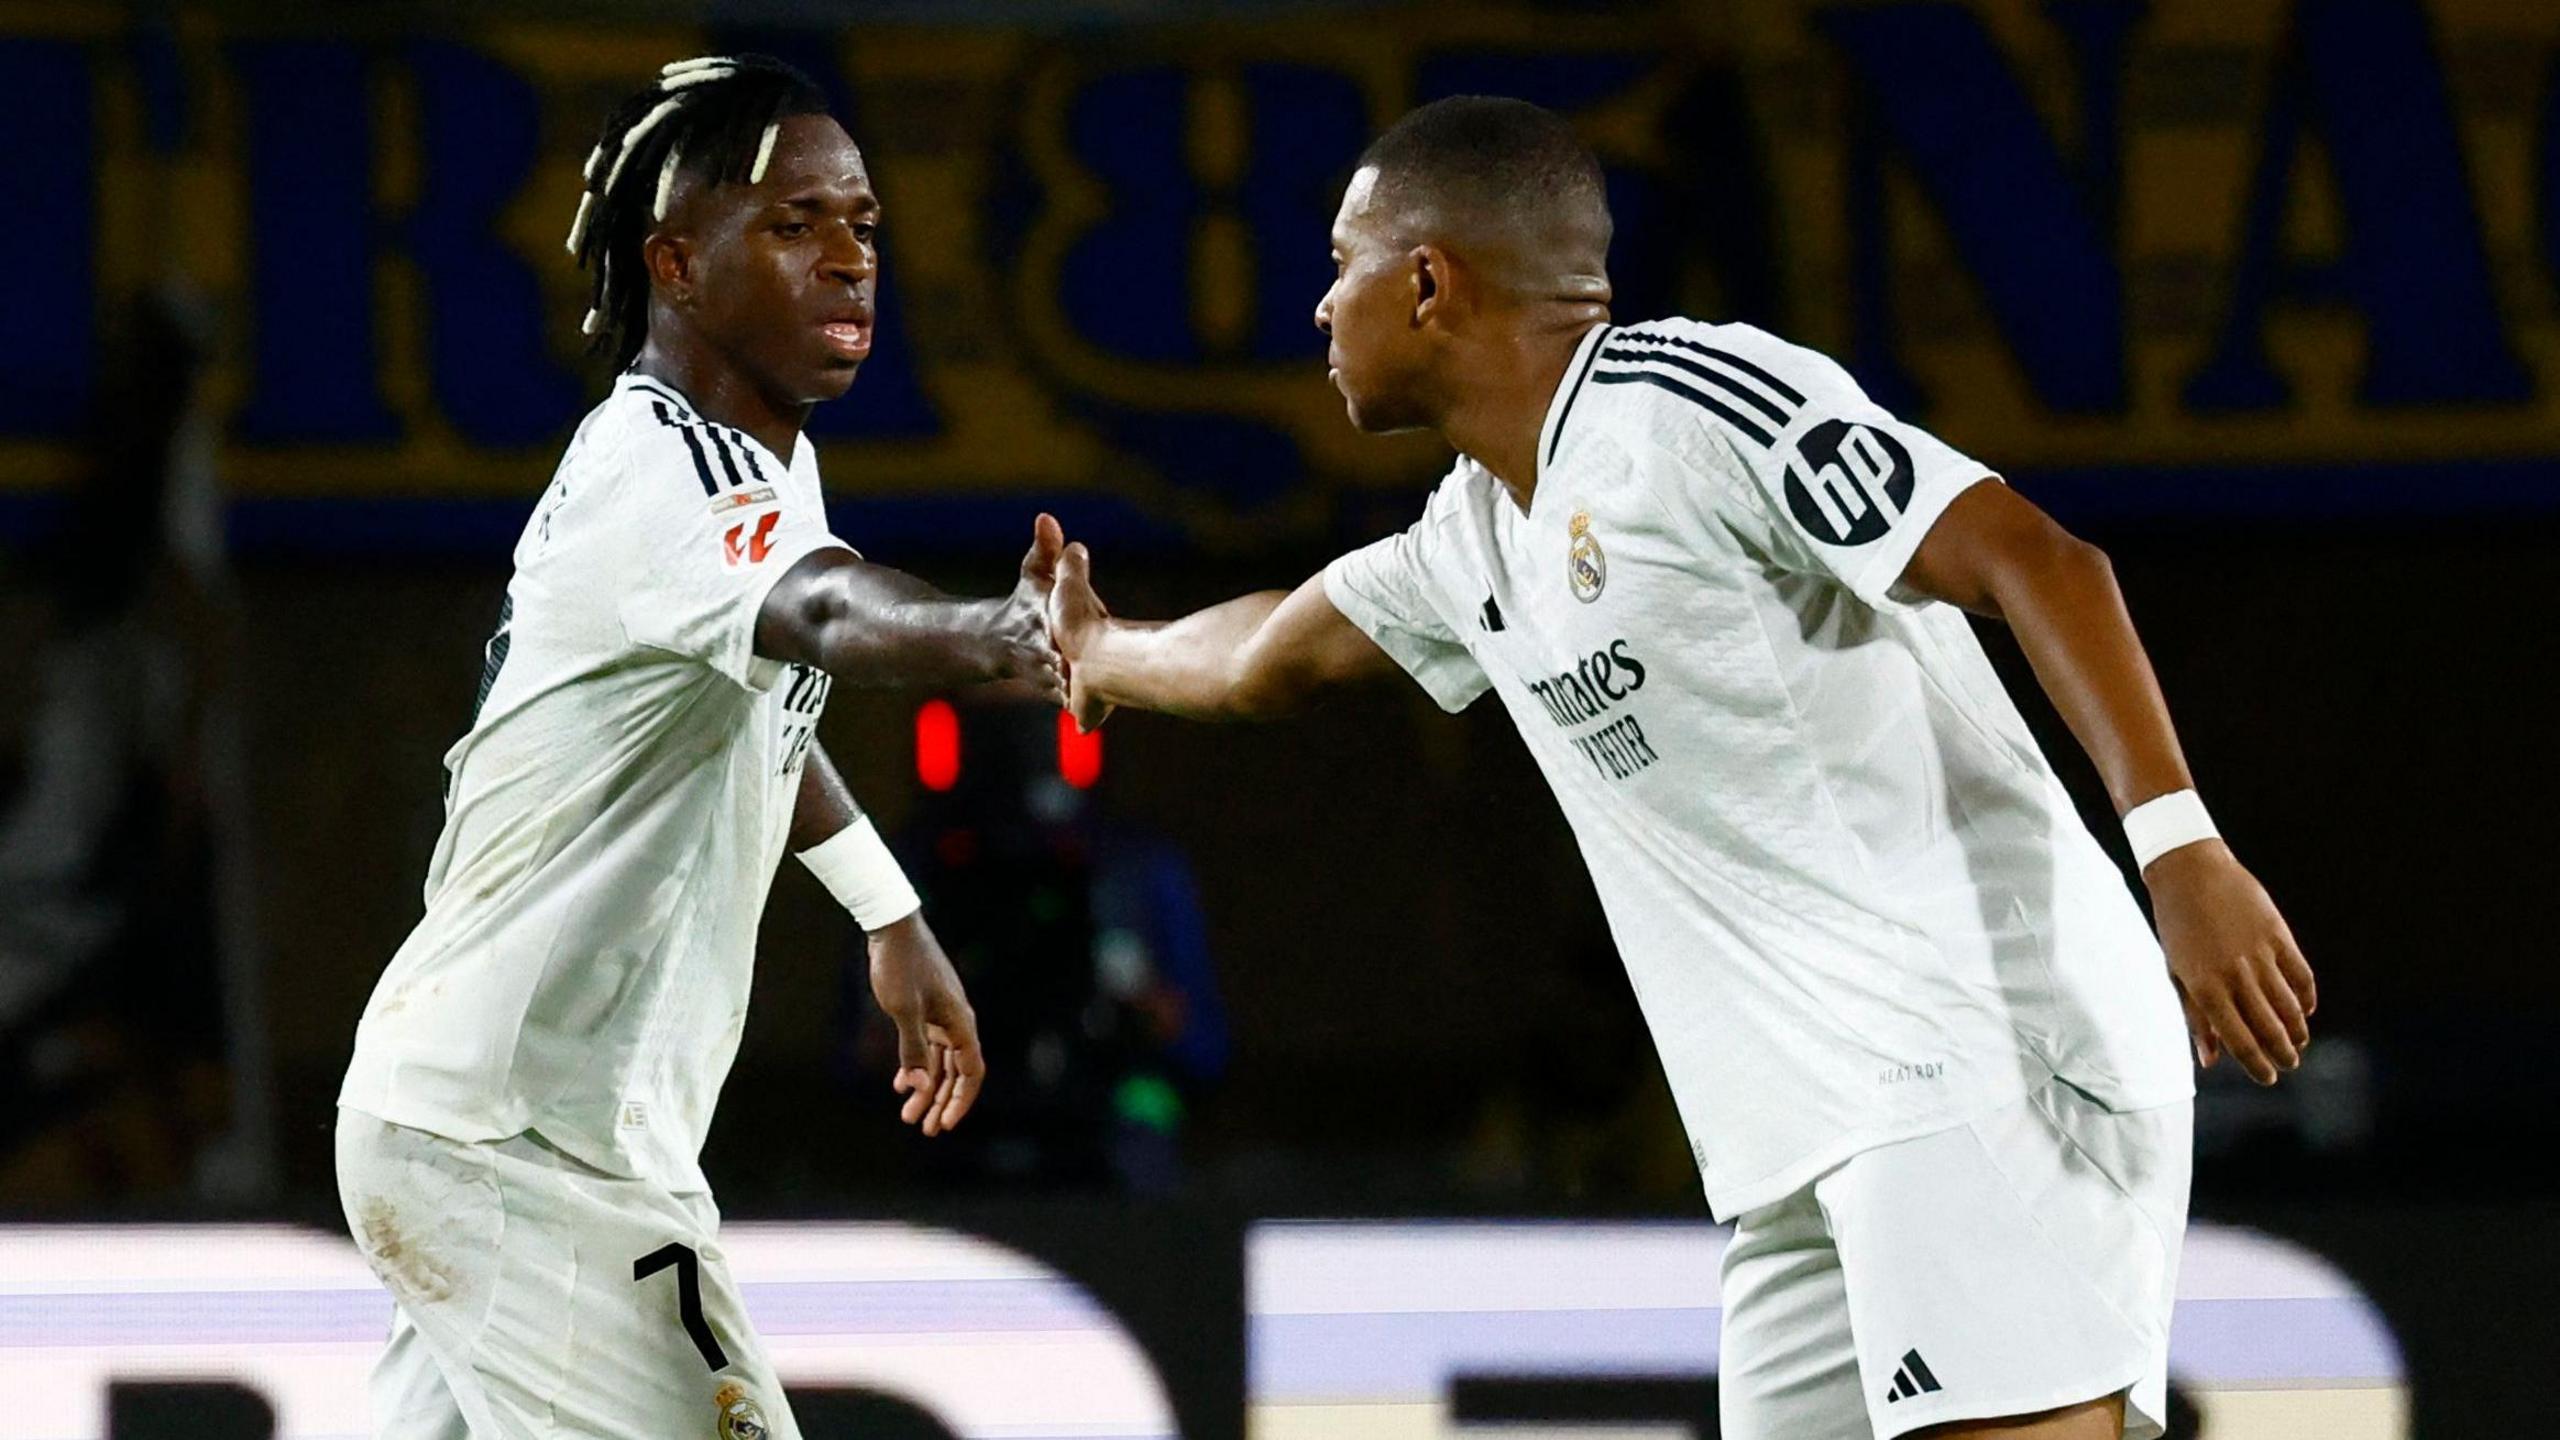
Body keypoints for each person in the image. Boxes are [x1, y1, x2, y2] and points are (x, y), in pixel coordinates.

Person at [1045, 96, 2318, 1440]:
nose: (1318, 308)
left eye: (1341, 265)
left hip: (1979, 1065)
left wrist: (2180, 847)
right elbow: (1265, 658)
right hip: (1798, 1153)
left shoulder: (1691, 410)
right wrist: (1099, 653)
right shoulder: (1473, 535)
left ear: (1427, 282)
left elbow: (2037, 558)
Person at [334, 56, 1063, 1440]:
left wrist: (886, 909)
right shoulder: (666, 474)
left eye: (862, 224)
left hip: (487, 1121)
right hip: (522, 1145)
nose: (848, 259)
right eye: (794, 226)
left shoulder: (756, 459)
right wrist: (997, 631)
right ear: (676, 262)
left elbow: (752, 709)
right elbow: (831, 610)